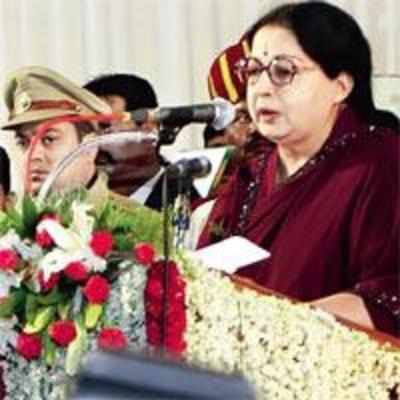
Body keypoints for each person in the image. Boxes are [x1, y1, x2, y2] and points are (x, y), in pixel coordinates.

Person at [196, 1, 400, 336]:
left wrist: (276, 329)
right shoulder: (249, 176)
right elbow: (205, 280)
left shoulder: (381, 162)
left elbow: (387, 297)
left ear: (341, 86)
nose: (261, 88)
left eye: (283, 71)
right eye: (253, 71)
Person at [84, 73, 200, 210]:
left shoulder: (188, 206)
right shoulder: (75, 205)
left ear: (148, 126)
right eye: (86, 131)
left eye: (105, 127)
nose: (93, 142)